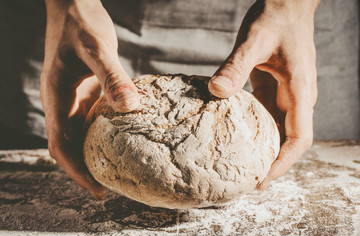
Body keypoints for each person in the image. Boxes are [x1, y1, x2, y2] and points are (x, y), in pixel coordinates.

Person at [21, 0, 320, 199]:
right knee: (65, 131)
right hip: (87, 32)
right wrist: (69, 4)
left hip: (278, 32)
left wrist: (292, 7)